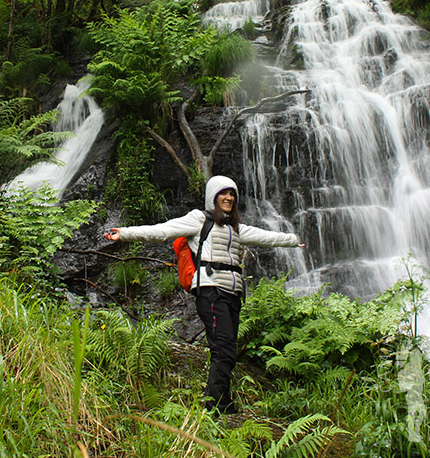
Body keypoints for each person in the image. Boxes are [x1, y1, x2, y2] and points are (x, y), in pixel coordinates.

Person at [103, 175, 305, 414]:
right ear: (213, 196)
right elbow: (162, 230)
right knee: (222, 347)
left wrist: (293, 240)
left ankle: (220, 399)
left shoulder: (236, 228)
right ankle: (216, 404)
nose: (229, 198)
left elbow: (267, 237)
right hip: (211, 291)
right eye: (224, 193)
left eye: (232, 194)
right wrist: (124, 233)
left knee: (227, 346)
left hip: (232, 293)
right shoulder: (199, 220)